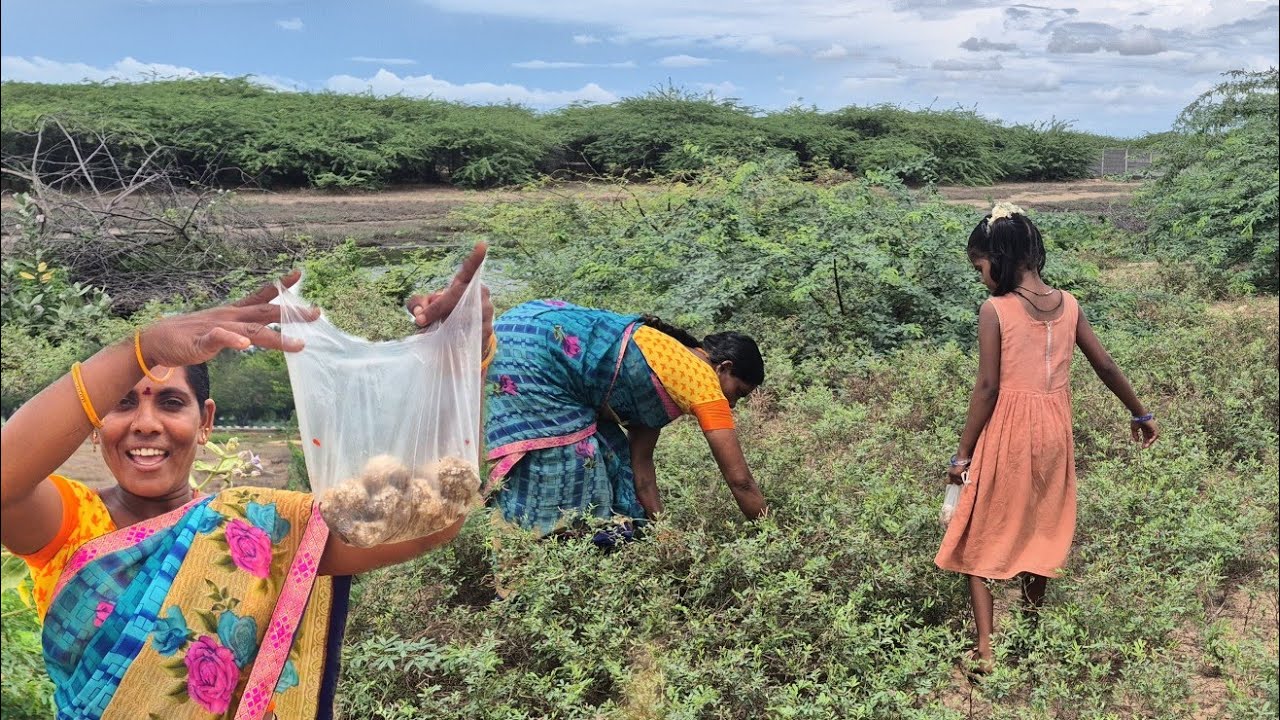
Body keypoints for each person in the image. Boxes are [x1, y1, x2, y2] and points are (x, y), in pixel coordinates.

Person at [0, 244, 492, 719]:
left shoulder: (253, 531)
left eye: (171, 403)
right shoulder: (69, 522)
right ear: (92, 423)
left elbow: (433, 518)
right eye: (124, 403)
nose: (146, 423)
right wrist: (140, 348)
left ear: (205, 420)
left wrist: (457, 358)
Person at [934, 204, 1159, 674]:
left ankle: (986, 652)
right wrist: (1139, 412)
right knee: (1041, 527)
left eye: (979, 266)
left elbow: (989, 387)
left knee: (978, 529)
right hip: (1055, 432)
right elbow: (1106, 365)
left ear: (1000, 257)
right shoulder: (1069, 303)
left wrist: (962, 455)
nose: (980, 278)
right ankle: (1032, 637)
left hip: (1010, 431)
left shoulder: (995, 309)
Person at [482, 299, 768, 541]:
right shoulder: (703, 381)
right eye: (738, 393)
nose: (731, 403)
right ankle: (526, 569)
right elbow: (740, 481)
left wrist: (663, 532)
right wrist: (771, 535)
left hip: (521, 324)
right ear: (724, 368)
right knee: (574, 462)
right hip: (532, 351)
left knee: (613, 455)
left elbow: (641, 467)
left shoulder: (666, 369)